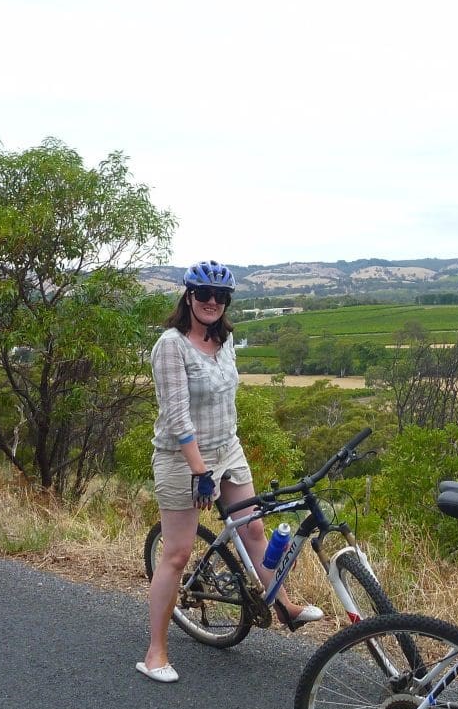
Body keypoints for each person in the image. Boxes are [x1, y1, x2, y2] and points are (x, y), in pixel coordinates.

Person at [138, 259, 321, 683]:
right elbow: (177, 416)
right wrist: (201, 472)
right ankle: (155, 652)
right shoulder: (171, 345)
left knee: (252, 528)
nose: (212, 302)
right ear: (189, 297)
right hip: (182, 458)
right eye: (204, 294)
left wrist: (225, 458)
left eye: (221, 296)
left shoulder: (226, 341)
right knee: (177, 554)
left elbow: (227, 403)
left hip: (227, 449)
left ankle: (285, 605)